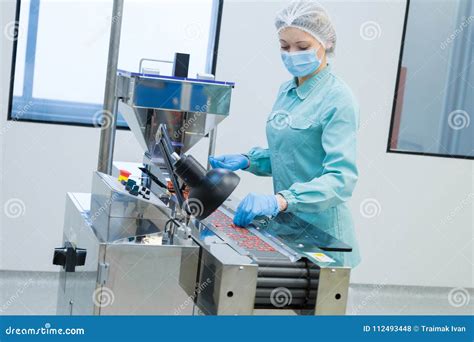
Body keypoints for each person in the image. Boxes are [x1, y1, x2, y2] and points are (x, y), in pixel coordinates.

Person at [209, 0, 360, 267]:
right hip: (286, 227)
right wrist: (249, 160)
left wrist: (281, 200)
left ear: (325, 43)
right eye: (284, 46)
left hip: (323, 235)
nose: (292, 54)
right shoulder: (286, 91)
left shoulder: (339, 99)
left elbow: (341, 180)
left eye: (302, 47)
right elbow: (290, 154)